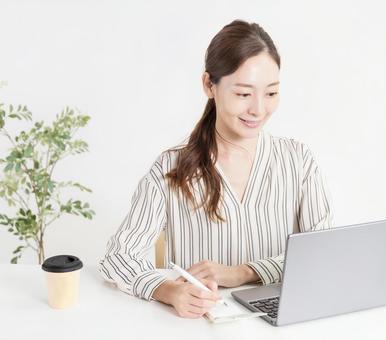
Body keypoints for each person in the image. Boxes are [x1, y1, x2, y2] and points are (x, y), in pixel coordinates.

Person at [99, 19, 333, 319]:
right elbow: (118, 257)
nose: (259, 110)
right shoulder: (171, 169)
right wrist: (169, 291)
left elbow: (323, 256)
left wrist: (242, 273)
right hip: (204, 325)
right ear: (209, 85)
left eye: (271, 93)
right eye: (243, 94)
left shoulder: (298, 161)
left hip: (284, 320)